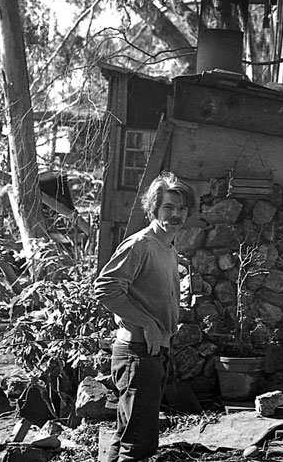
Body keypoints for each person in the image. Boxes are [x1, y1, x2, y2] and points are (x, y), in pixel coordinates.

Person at [95, 171, 195, 462]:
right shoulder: (141, 244)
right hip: (137, 353)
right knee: (137, 444)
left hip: (152, 352)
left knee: (131, 434)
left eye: (181, 208)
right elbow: (105, 289)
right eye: (168, 207)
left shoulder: (168, 246)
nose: (176, 214)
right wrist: (149, 323)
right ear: (154, 209)